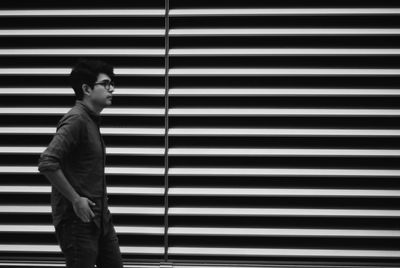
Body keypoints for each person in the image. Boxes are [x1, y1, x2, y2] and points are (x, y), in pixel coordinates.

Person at [37, 58, 123, 267]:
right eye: (105, 84)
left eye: (112, 84)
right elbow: (47, 161)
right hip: (78, 222)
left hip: (100, 218)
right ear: (86, 88)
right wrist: (76, 200)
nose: (111, 89)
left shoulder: (90, 120)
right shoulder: (76, 120)